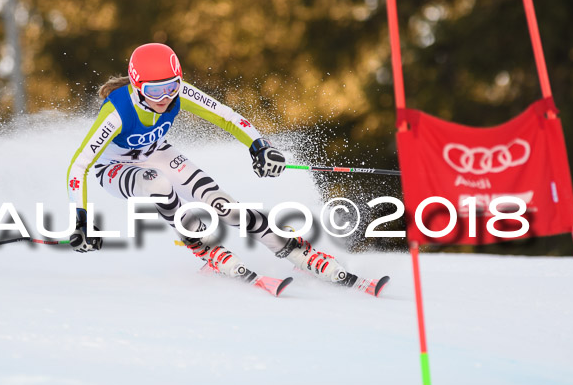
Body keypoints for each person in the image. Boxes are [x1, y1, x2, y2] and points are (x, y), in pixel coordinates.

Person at [67, 43, 358, 287]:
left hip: (155, 151)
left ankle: (297, 253)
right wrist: (81, 219)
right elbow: (79, 166)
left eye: (171, 87)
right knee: (157, 183)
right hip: (115, 168)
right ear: (137, 87)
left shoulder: (179, 94)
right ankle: (202, 245)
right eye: (155, 92)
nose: (166, 99)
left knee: (224, 206)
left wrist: (259, 147)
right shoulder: (117, 111)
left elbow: (227, 117)